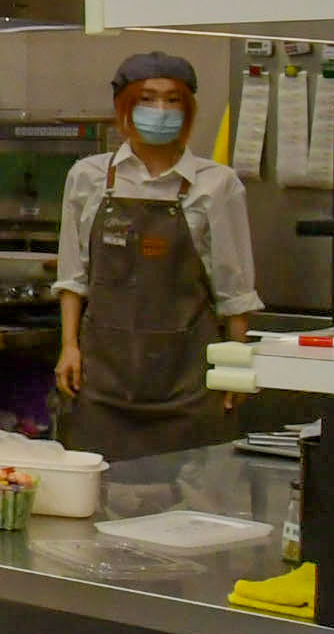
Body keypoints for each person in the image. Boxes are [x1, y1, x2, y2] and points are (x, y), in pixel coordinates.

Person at [51, 49, 262, 463]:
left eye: (173, 99)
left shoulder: (218, 185)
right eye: (147, 99)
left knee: (197, 492)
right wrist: (69, 346)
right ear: (124, 106)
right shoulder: (88, 177)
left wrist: (236, 368)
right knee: (101, 491)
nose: (160, 110)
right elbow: (73, 277)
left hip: (190, 381)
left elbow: (235, 292)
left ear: (189, 108)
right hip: (102, 380)